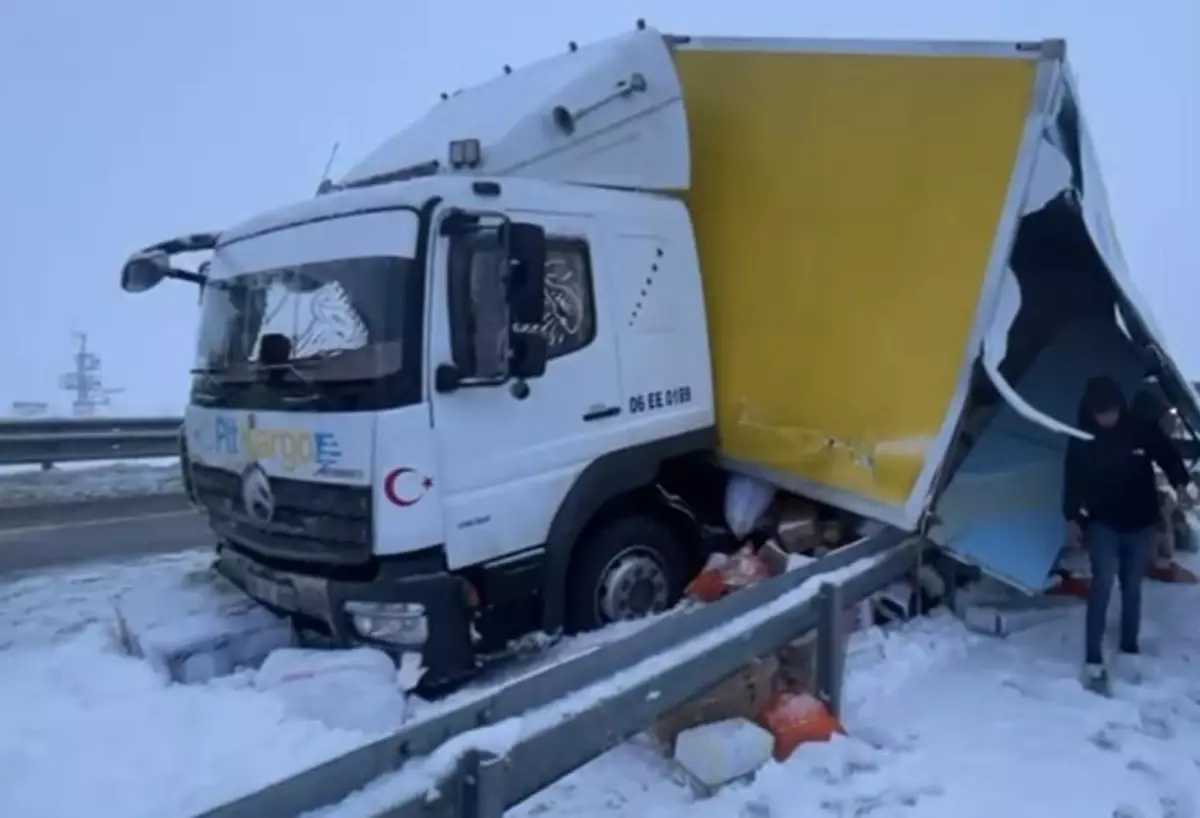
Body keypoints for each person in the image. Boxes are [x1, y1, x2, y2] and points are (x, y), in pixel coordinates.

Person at [1062, 376, 1193, 695]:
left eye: (1111, 411)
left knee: (1132, 586)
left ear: (1120, 406)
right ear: (1090, 412)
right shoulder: (1082, 437)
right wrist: (1072, 520)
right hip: (1103, 522)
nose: (1107, 418)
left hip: (1141, 522)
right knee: (1103, 583)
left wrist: (1180, 484)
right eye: (1100, 413)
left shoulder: (1140, 428)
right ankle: (1093, 658)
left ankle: (1130, 648)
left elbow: (1168, 455)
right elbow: (1073, 480)